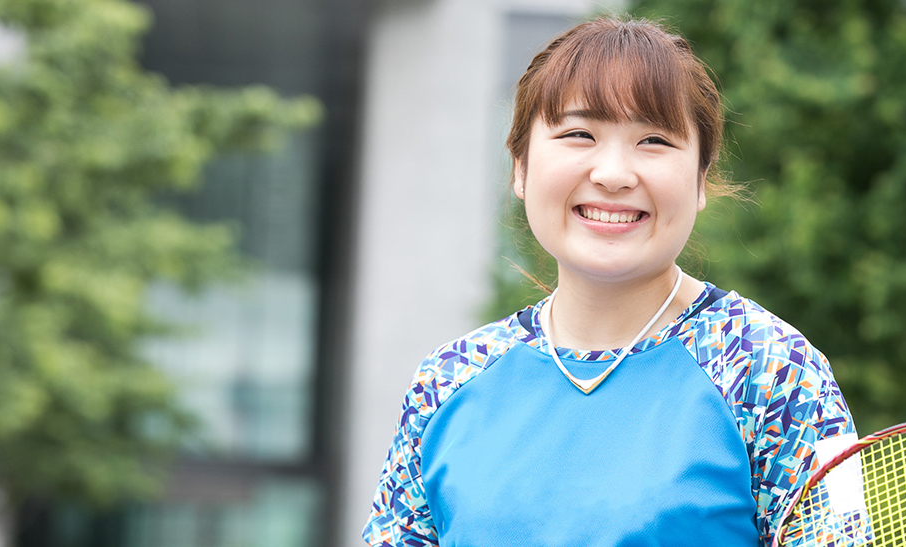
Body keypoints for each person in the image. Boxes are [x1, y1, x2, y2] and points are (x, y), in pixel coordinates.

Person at [362, 16, 870, 547]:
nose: (613, 174)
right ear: (520, 167)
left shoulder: (767, 367)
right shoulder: (446, 381)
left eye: (653, 140)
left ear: (700, 179)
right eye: (579, 134)